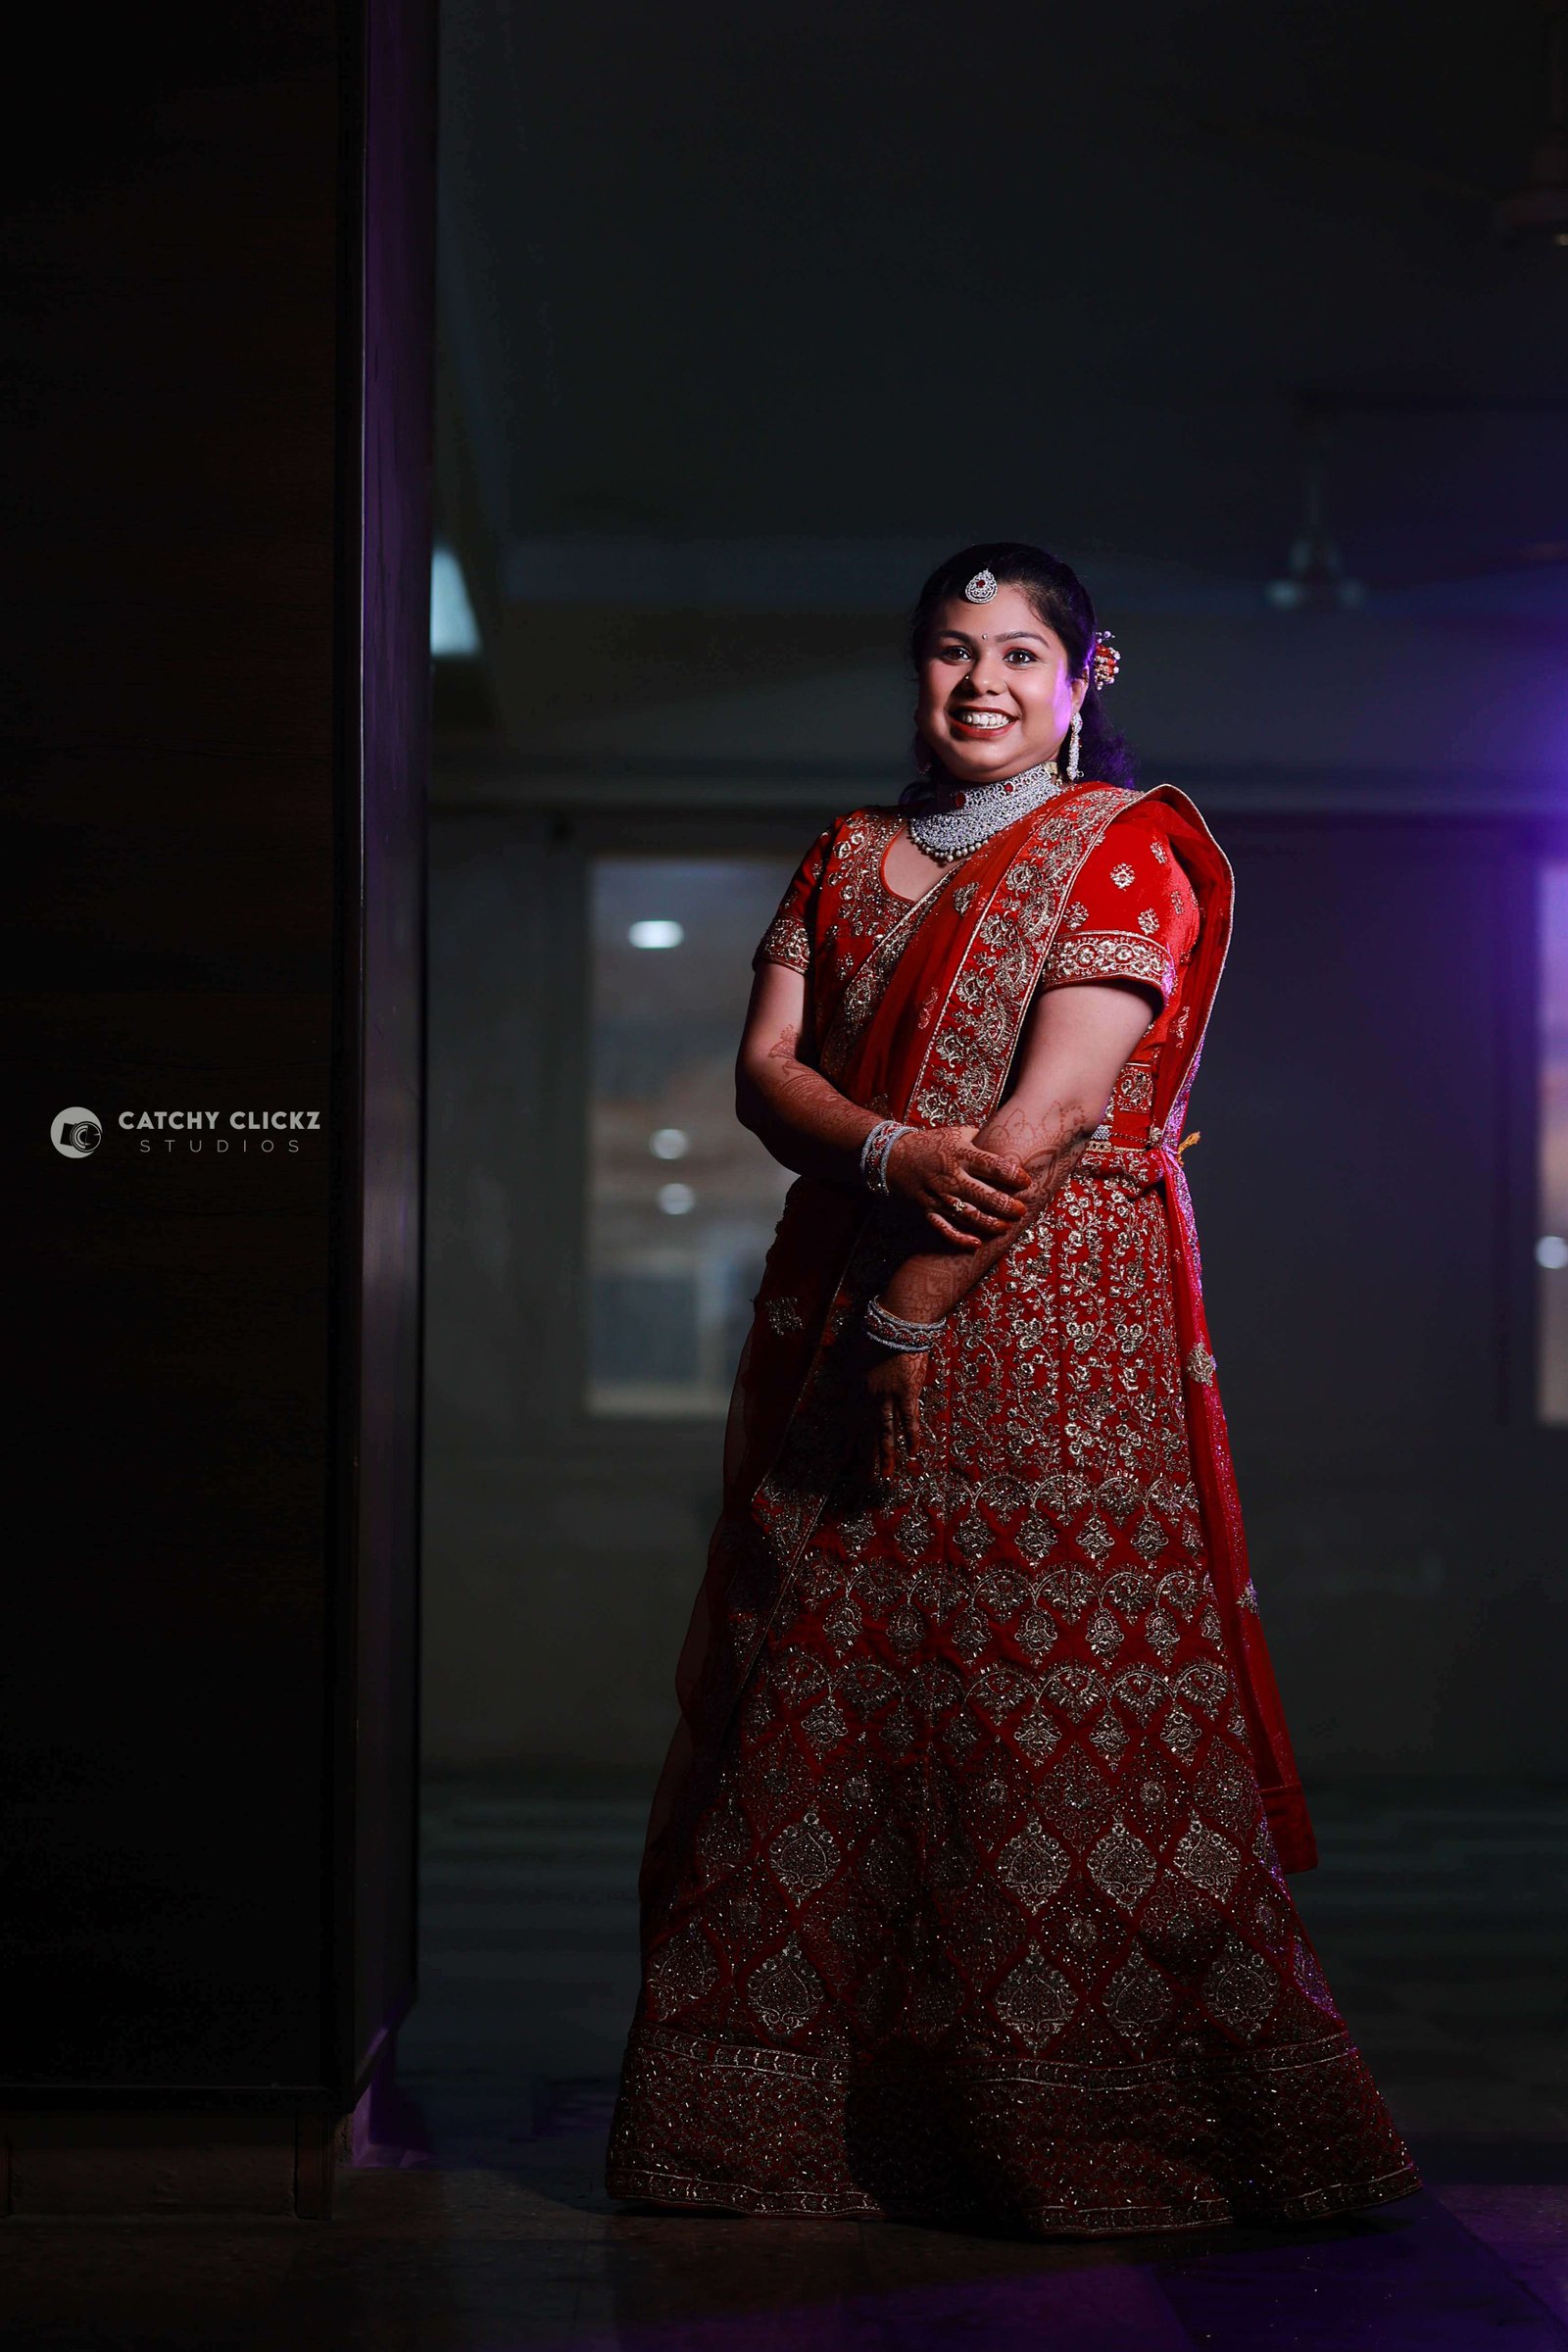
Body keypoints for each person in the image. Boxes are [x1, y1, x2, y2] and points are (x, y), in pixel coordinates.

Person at [606, 543, 1418, 2233]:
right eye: (950, 650)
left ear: (1086, 674)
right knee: (818, 1680)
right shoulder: (847, 853)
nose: (981, 681)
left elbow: (1051, 1117)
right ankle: (799, 2130)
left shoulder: (1125, 847)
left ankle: (1132, 2126)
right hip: (846, 1284)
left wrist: (907, 1317)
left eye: (1020, 652)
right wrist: (889, 1154)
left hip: (1050, 1315)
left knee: (1061, 1690)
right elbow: (766, 1072)